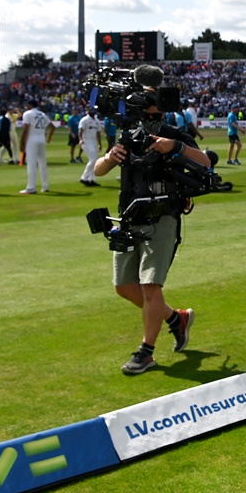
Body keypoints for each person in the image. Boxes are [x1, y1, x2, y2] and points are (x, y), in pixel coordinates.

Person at [93, 65, 203, 375]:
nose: (145, 104)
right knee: (125, 287)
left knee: (150, 286)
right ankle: (175, 319)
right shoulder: (127, 134)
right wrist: (109, 157)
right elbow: (98, 170)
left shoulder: (170, 131)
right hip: (129, 213)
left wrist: (175, 146)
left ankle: (146, 351)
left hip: (162, 213)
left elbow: (205, 160)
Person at [20, 99, 55, 194]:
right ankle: (45, 186)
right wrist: (49, 137)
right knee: (42, 164)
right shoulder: (42, 114)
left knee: (31, 164)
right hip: (41, 139)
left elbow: (25, 129)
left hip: (32, 140)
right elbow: (53, 127)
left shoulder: (28, 114)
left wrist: (22, 143)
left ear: (30, 105)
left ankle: (31, 187)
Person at [79, 108, 103, 187]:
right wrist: (80, 140)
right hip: (86, 142)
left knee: (95, 161)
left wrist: (100, 144)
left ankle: (91, 179)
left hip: (93, 142)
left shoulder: (96, 120)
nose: (92, 112)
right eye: (91, 110)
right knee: (93, 160)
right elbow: (80, 131)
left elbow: (98, 133)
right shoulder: (84, 120)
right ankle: (84, 177)